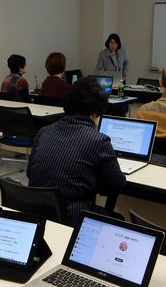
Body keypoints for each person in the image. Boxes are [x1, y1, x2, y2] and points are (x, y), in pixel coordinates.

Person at [27, 77, 126, 226]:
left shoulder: (44, 131)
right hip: (73, 218)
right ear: (95, 113)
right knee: (118, 219)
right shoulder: (99, 140)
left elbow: (30, 172)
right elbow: (117, 183)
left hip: (37, 213)